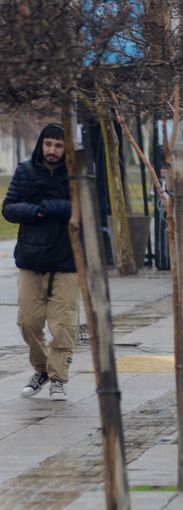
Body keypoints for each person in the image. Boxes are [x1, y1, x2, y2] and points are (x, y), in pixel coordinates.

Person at [2, 123, 78, 401]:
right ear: (41, 145)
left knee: (63, 325)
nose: (52, 150)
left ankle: (58, 377)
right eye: (49, 144)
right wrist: (37, 212)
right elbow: (9, 208)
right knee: (28, 322)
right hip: (30, 259)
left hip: (66, 261)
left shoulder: (75, 176)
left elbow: (85, 206)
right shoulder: (25, 171)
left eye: (58, 145)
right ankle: (42, 369)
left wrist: (52, 207)